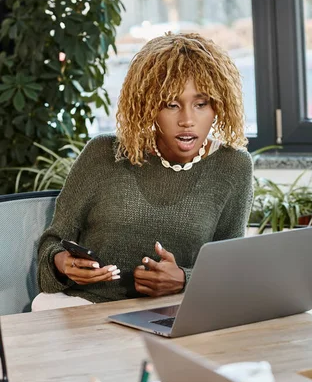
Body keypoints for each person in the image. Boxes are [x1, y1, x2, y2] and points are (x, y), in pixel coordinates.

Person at [32, 32, 254, 311]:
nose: (187, 120)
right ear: (148, 105)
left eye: (201, 104)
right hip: (86, 309)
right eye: (171, 105)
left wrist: (184, 279)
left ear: (218, 106)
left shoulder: (233, 166)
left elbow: (230, 269)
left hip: (174, 315)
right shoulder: (104, 154)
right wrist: (63, 263)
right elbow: (51, 244)